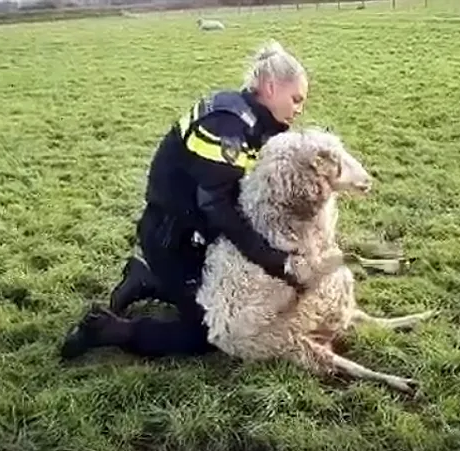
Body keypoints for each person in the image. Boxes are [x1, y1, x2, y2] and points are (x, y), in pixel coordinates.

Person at [59, 40, 311, 360]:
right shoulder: (226, 125)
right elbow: (218, 208)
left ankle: (146, 279)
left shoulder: (257, 123)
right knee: (214, 330)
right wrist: (272, 259)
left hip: (194, 235)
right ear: (271, 87)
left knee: (233, 300)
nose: (299, 109)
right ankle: (107, 329)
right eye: (296, 99)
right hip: (171, 239)